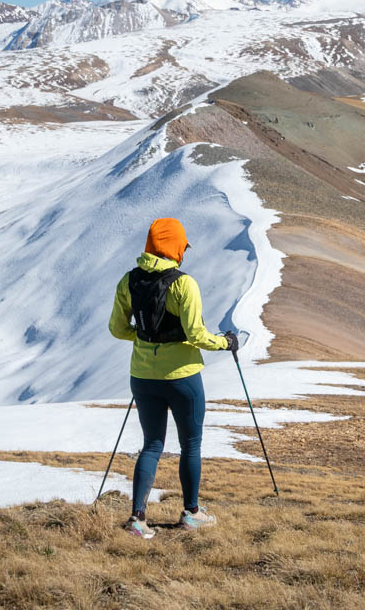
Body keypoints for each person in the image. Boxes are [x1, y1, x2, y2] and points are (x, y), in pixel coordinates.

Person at [108, 217, 239, 539]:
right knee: (190, 444)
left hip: (142, 375)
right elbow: (196, 335)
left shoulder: (128, 281)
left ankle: (137, 519)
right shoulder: (184, 284)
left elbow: (118, 329)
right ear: (176, 247)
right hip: (182, 376)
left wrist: (145, 338)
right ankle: (191, 513)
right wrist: (225, 343)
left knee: (152, 444)